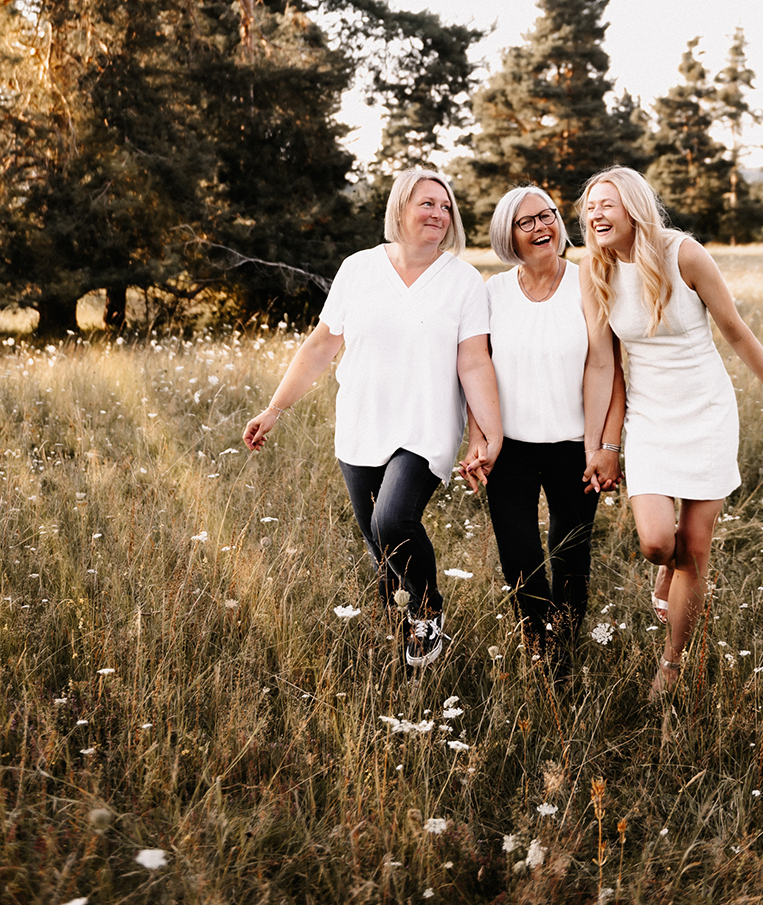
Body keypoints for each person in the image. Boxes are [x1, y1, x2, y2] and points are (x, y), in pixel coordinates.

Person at [243, 168, 501, 671]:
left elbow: (474, 362)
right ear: (400, 208)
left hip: (426, 427)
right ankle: (404, 658)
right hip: (361, 425)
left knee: (393, 521)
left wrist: (487, 435)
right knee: (383, 555)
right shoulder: (358, 269)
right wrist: (275, 408)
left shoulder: (464, 281)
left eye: (446, 207)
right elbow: (321, 346)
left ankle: (428, 614)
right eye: (428, 203)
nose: (439, 213)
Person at [577, 166, 763, 695]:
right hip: (649, 418)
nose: (595, 215)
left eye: (606, 204)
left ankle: (672, 663)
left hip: (706, 412)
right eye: (590, 207)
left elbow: (735, 330)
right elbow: (603, 364)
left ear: (634, 207)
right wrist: (600, 445)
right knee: (658, 543)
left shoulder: (684, 254)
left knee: (695, 549)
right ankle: (666, 569)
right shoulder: (595, 270)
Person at [465, 186, 623, 663]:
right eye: (526, 222)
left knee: (570, 552)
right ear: (508, 235)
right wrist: (478, 439)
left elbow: (607, 367)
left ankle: (565, 649)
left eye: (547, 215)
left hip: (575, 446)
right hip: (509, 448)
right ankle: (539, 644)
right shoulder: (491, 292)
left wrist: (604, 447)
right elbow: (476, 370)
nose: (542, 227)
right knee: (518, 557)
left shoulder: (588, 280)